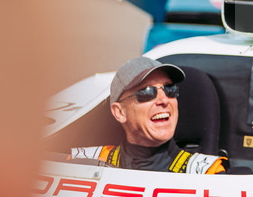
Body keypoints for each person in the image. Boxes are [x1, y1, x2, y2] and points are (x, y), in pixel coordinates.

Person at [71, 57, 228, 173]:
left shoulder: (209, 172)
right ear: (119, 112)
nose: (163, 100)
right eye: (147, 92)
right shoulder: (82, 161)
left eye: (170, 90)